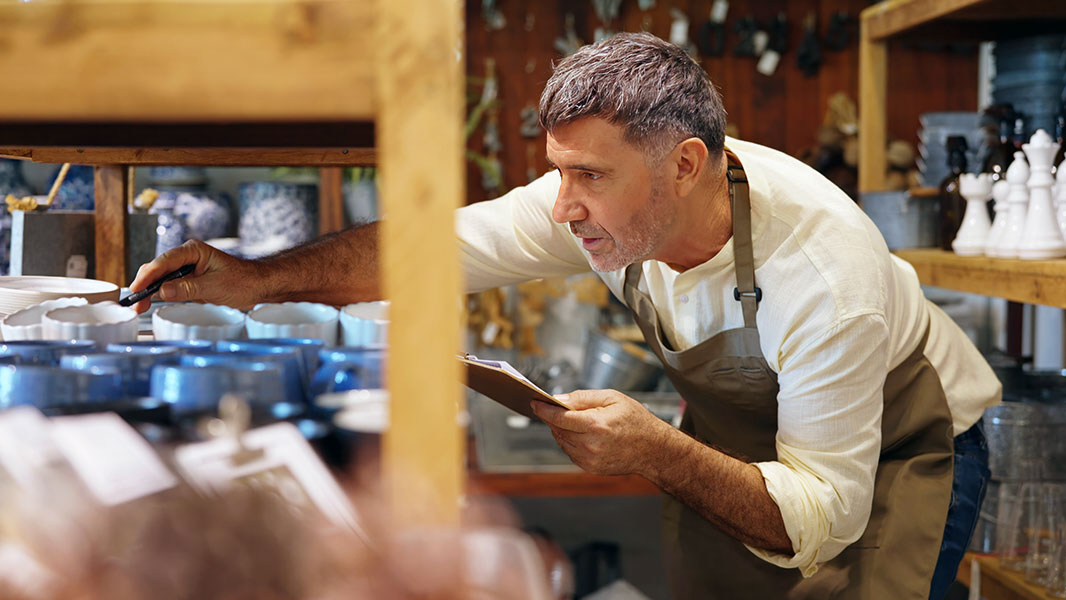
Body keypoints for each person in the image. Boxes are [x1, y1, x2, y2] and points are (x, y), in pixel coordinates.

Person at [131, 32, 1000, 599]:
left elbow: (824, 513)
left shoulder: (822, 278)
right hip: (760, 447)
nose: (561, 207)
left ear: (686, 165)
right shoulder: (619, 202)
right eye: (560, 173)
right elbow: (433, 248)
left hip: (890, 451)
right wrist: (256, 279)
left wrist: (660, 450)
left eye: (590, 178)